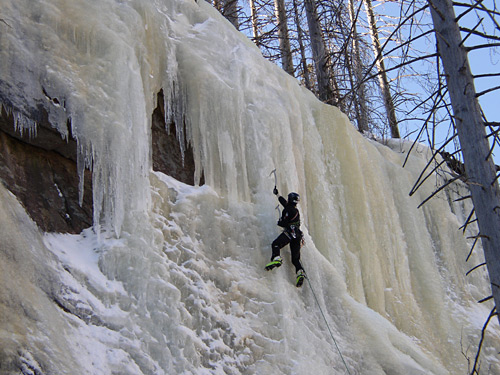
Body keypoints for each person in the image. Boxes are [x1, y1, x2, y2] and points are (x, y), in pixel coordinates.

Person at [265, 187, 306, 287]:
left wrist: (280, 222)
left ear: (291, 199)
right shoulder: (294, 210)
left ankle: (277, 258)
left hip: (290, 233)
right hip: (298, 235)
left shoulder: (288, 210)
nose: (287, 200)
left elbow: (284, 222)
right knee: (295, 259)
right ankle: (300, 272)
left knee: (276, 244)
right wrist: (277, 194)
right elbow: (284, 203)